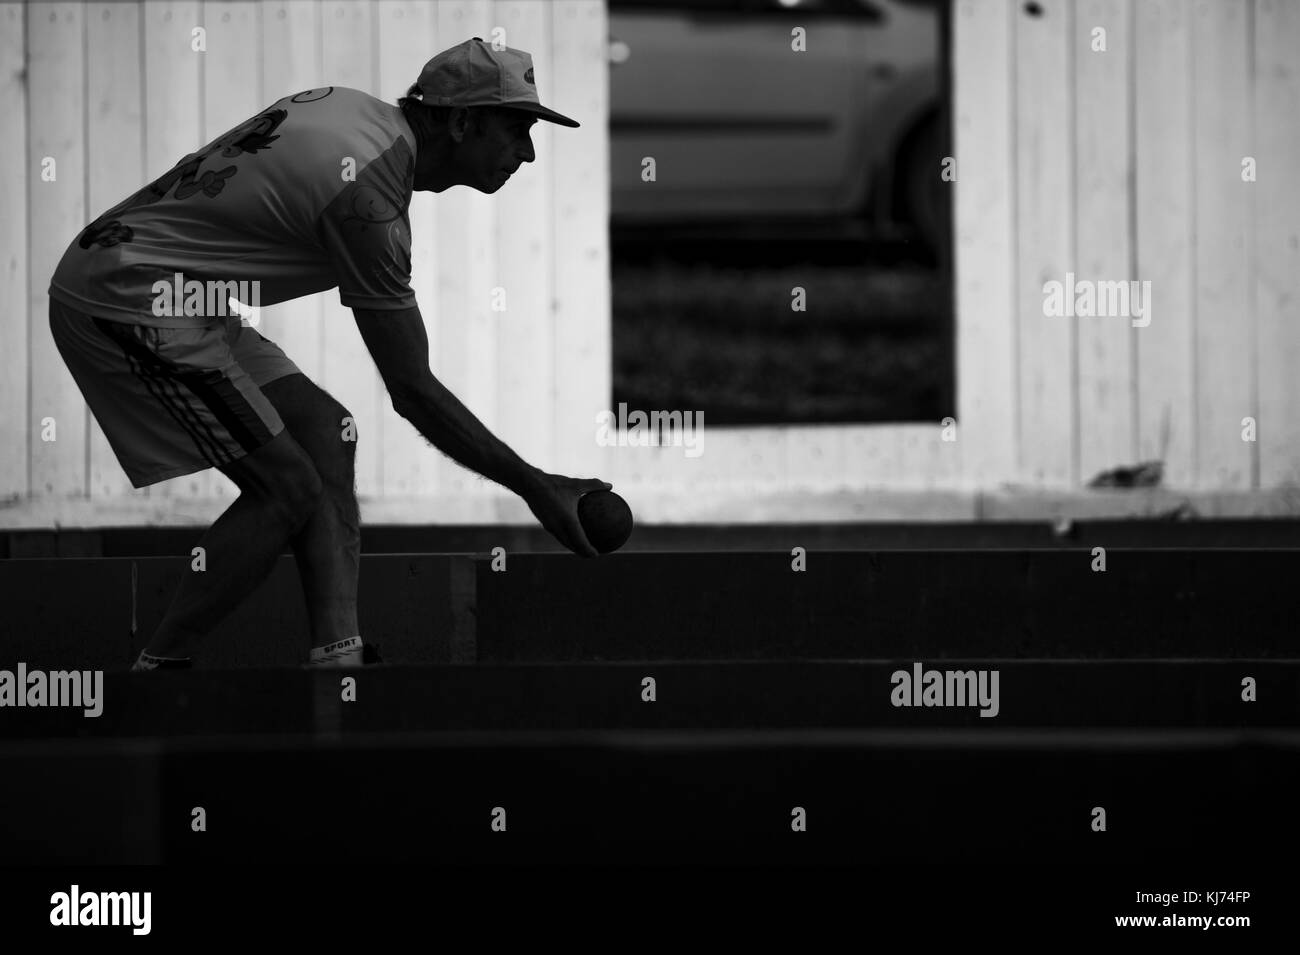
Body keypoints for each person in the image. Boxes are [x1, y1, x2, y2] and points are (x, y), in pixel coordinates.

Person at [46, 38, 610, 671]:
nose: (528, 153)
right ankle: (156, 674)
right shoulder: (369, 200)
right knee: (286, 488)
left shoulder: (354, 113)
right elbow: (413, 391)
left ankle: (338, 658)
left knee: (325, 432)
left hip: (172, 291)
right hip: (126, 296)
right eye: (517, 129)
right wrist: (539, 490)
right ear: (460, 121)